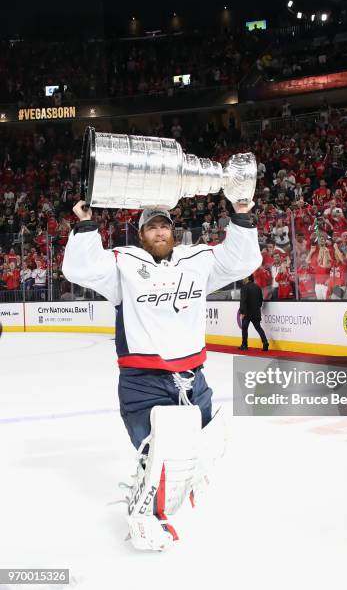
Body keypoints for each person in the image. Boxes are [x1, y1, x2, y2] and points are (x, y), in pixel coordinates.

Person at [62, 200, 261, 552]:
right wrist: (87, 225)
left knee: (211, 441)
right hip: (143, 381)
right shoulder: (123, 265)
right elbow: (81, 269)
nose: (159, 231)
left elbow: (242, 261)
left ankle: (175, 486)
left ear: (173, 231)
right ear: (141, 235)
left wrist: (242, 217)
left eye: (164, 226)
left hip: (191, 377)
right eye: (152, 227)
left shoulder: (196, 261)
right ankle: (145, 516)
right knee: (155, 456)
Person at [239, 274, 269, 351]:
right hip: (256, 312)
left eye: (244, 277)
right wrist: (256, 308)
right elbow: (260, 301)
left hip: (247, 313)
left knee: (244, 329)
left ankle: (244, 345)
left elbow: (243, 301)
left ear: (247, 278)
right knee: (258, 328)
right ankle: (265, 342)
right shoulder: (257, 287)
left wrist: (242, 312)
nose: (243, 279)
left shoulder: (244, 288)